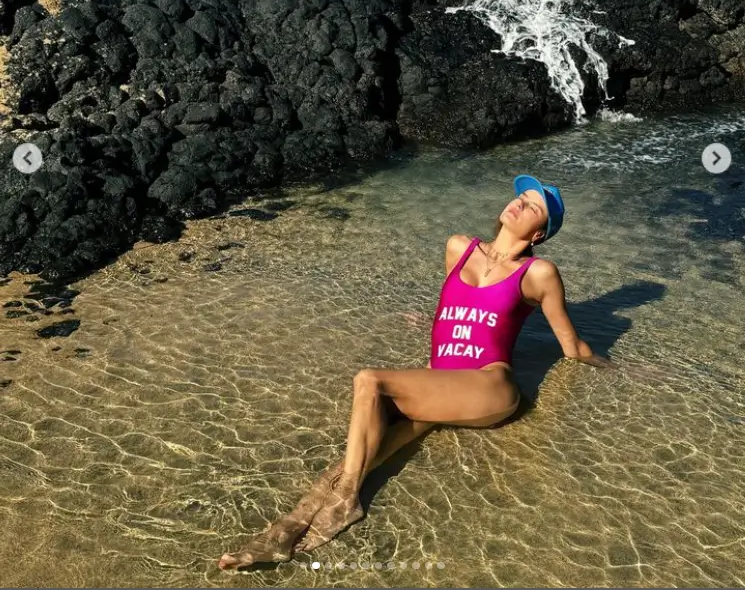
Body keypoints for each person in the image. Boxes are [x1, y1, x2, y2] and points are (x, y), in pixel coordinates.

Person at [218, 174, 616, 570]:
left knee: (369, 381)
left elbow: (572, 347)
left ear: (539, 235)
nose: (519, 204)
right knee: (357, 457)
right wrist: (426, 319)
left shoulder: (538, 273)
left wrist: (626, 370)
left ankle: (346, 503)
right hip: (441, 380)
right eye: (521, 197)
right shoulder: (459, 247)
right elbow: (453, 308)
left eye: (533, 206)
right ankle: (280, 533)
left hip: (488, 386)